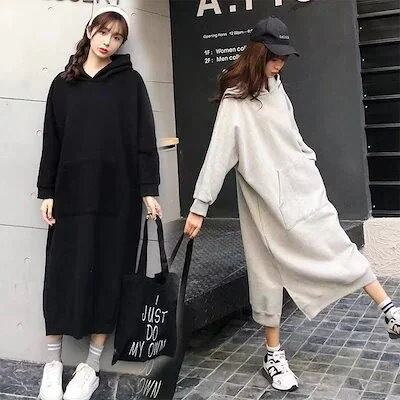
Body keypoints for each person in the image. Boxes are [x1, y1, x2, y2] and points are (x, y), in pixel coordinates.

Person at [184, 16, 400, 392]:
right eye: (274, 56)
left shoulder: (277, 86)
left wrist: (306, 159)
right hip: (264, 201)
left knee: (336, 244)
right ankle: (273, 355)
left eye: (284, 57)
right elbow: (218, 155)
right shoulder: (236, 99)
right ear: (257, 53)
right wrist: (199, 207)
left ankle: (389, 310)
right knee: (266, 276)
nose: (280, 63)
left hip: (303, 190)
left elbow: (292, 134)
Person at [37, 6, 162, 400]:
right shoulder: (63, 85)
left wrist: (148, 189)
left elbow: (144, 139)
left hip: (117, 199)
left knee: (109, 274)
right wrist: (47, 191)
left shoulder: (130, 83)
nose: (109, 42)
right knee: (62, 275)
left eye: (117, 37)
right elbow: (52, 141)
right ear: (90, 31)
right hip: (71, 197)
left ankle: (89, 369)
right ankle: (53, 367)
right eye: (104, 32)